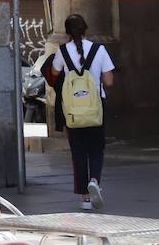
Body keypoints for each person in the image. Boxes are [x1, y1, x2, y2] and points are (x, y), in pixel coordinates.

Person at [48, 13, 115, 210]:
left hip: (73, 110)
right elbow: (109, 80)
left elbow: (54, 73)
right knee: (96, 148)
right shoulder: (99, 50)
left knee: (78, 152)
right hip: (96, 108)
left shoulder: (62, 51)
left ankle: (85, 198)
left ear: (67, 32)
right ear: (86, 29)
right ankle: (94, 180)